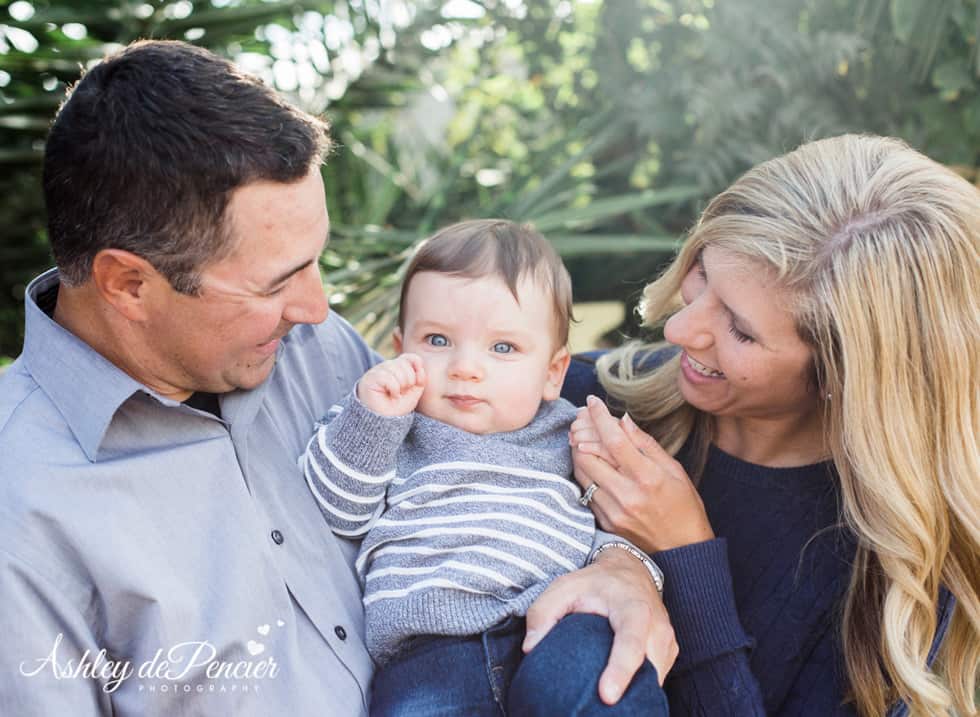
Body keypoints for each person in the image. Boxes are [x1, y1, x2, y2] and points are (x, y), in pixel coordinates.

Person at [0, 40, 675, 716]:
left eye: (313, 261)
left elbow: (502, 431)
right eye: (276, 281)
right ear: (128, 284)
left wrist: (624, 567)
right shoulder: (21, 513)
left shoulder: (312, 346)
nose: (318, 307)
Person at [562, 134, 979, 716]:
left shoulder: (896, 583)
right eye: (702, 275)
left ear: (847, 378)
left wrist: (685, 558)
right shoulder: (572, 395)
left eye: (739, 329)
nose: (681, 330)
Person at [302, 219, 668, 716]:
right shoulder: (382, 422)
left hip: (557, 624)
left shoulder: (575, 433)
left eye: (502, 348)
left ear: (553, 373)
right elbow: (338, 511)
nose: (465, 367)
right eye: (436, 340)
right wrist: (373, 420)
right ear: (399, 345)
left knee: (604, 688)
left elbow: (625, 529)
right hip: (431, 650)